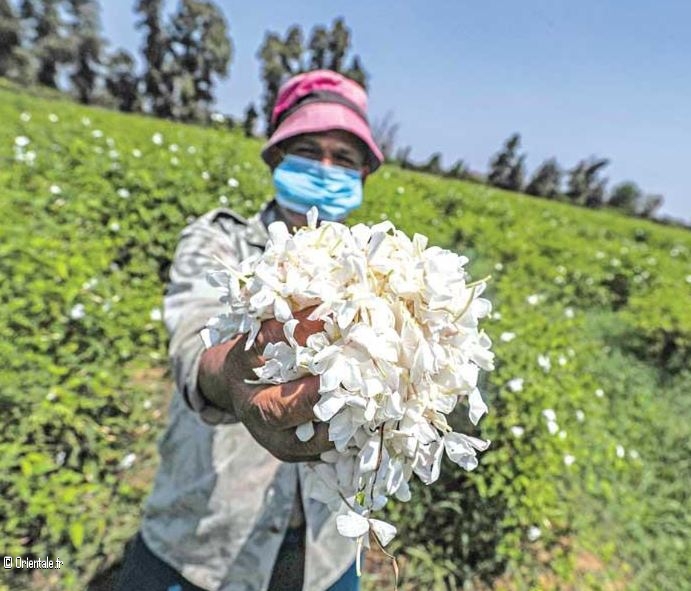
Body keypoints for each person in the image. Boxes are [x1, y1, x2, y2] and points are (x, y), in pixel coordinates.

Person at [115, 70, 384, 591]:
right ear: (276, 157)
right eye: (307, 149)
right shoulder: (223, 244)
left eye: (344, 157)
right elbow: (194, 344)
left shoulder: (378, 272)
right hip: (201, 546)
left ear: (364, 175)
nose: (326, 168)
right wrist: (234, 376)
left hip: (325, 555)